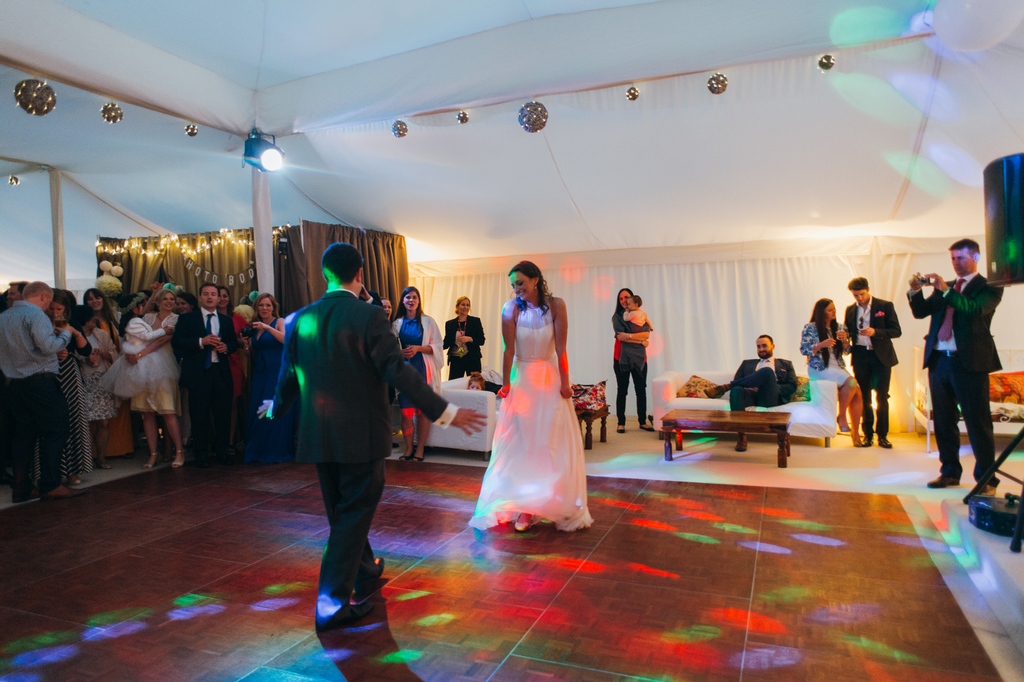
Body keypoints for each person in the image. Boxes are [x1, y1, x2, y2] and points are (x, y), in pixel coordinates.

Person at [259, 241, 484, 632]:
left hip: (318, 436)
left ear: (324, 274)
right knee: (352, 515)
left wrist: (276, 408)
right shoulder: (368, 317)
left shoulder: (297, 319)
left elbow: (288, 378)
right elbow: (397, 372)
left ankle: (364, 568)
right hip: (361, 436)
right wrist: (445, 411)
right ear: (360, 274)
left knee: (342, 512)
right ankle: (330, 604)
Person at [470, 261, 594, 533]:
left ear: (535, 280)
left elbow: (561, 350)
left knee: (548, 443)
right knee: (522, 443)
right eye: (513, 284)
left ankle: (550, 503)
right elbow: (507, 350)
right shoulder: (511, 309)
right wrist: (506, 386)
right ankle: (524, 508)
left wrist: (565, 384)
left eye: (521, 283)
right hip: (522, 379)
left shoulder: (557, 306)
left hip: (549, 379)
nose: (516, 289)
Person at [909, 238, 1003, 493]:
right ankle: (949, 472)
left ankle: (986, 479)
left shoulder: (990, 287)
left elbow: (973, 310)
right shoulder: (946, 287)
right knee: (943, 420)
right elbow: (921, 312)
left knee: (978, 422)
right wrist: (914, 291)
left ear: (975, 257)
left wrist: (948, 291)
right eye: (952, 258)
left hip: (969, 363)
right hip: (939, 361)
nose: (955, 263)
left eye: (960, 258)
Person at [0, 281, 84, 501]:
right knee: (56, 430)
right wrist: (65, 334)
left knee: (24, 435)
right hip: (40, 381)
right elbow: (48, 346)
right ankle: (50, 484)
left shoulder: (4, 317)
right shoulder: (35, 315)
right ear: (44, 297)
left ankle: (21, 487)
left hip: (14, 384)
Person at [105, 289, 185, 468]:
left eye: (172, 299)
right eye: (164, 298)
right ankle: (153, 453)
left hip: (164, 366)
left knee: (168, 410)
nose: (169, 301)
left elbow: (161, 341)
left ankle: (179, 451)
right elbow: (136, 337)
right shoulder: (146, 318)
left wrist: (139, 354)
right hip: (142, 369)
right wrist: (133, 354)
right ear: (157, 301)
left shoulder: (176, 320)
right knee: (146, 413)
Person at [172, 282, 238, 467]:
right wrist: (202, 341)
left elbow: (233, 342)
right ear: (200, 297)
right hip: (198, 373)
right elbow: (177, 343)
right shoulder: (188, 319)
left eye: (213, 294)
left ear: (218, 298)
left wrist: (226, 347)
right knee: (199, 415)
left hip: (220, 372)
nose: (210, 297)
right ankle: (201, 454)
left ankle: (223, 452)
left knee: (223, 415)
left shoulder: (225, 320)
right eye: (206, 294)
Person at [706, 335, 798, 452]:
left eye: (764, 346)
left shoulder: (786, 364)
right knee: (736, 390)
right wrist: (749, 386)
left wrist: (772, 386)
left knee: (767, 372)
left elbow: (792, 386)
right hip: (752, 395)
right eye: (758, 346)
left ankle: (725, 387)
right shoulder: (746, 364)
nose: (761, 349)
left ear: (773, 346)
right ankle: (741, 436)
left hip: (771, 396)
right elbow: (738, 381)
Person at [844, 278, 901, 449]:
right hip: (860, 355)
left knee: (882, 396)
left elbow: (896, 331)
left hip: (881, 356)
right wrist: (844, 340)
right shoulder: (850, 310)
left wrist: (875, 332)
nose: (859, 298)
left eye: (861, 294)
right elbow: (848, 332)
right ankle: (867, 434)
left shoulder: (885, 306)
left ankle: (882, 435)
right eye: (855, 295)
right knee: (864, 397)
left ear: (868, 289)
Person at [44, 290, 93, 486]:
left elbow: (86, 350)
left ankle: (73, 470)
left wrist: (75, 333)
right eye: (52, 308)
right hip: (49, 372)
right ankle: (52, 471)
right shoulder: (41, 324)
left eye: (60, 309)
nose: (55, 313)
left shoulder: (71, 324)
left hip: (70, 375)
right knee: (52, 423)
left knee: (74, 420)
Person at [800, 298, 864, 446]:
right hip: (819, 368)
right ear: (821, 312)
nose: (833, 312)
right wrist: (820, 345)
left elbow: (847, 352)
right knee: (852, 382)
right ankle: (842, 417)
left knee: (857, 393)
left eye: (834, 309)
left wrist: (845, 342)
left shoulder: (841, 327)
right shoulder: (810, 328)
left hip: (837, 366)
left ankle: (855, 433)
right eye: (830, 310)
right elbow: (804, 350)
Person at [392, 286, 444, 461]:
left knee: (422, 413)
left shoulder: (428, 322)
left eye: (414, 297)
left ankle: (420, 449)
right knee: (406, 413)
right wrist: (400, 353)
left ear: (419, 301)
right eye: (408, 297)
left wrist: (418, 349)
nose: (411, 300)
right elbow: (390, 348)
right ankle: (408, 449)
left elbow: (438, 345)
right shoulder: (397, 323)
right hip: (404, 372)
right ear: (403, 301)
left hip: (423, 370)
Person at [83, 287, 135, 459]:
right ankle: (97, 453)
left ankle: (120, 447)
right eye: (89, 299)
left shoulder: (111, 318)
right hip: (94, 372)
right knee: (97, 418)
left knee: (117, 409)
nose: (94, 301)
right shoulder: (85, 324)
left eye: (97, 297)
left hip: (113, 366)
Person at [244, 293, 295, 464]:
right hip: (260, 372)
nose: (264, 308)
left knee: (271, 408)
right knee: (257, 409)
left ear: (273, 307)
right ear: (256, 308)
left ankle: (274, 450)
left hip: (277, 372)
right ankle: (259, 449)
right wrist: (247, 346)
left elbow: (286, 340)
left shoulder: (279, 322)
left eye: (268, 305)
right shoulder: (255, 327)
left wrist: (267, 328)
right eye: (261, 305)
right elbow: (255, 350)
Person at [74, 304, 118, 469]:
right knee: (85, 422)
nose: (95, 319)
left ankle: (101, 456)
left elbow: (114, 353)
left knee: (104, 422)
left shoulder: (102, 334)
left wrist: (104, 354)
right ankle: (87, 457)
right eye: (91, 317)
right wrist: (85, 359)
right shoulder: (74, 336)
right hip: (83, 380)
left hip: (102, 380)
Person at [611, 288, 652, 433]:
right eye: (621, 298)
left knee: (641, 390)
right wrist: (640, 340)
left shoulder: (640, 316)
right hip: (621, 358)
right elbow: (621, 336)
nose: (623, 301)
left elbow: (646, 334)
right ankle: (621, 422)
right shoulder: (617, 317)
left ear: (633, 300)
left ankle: (642, 421)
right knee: (622, 390)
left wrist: (633, 337)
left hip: (640, 359)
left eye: (626, 298)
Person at [218, 284, 248, 455]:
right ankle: (217, 440)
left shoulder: (236, 318)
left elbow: (245, 339)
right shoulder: (206, 317)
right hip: (214, 364)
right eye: (219, 295)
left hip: (233, 362)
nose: (222, 299)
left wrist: (233, 343)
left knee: (233, 403)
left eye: (225, 295)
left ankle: (230, 441)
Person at [443, 296, 486, 380]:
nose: (465, 307)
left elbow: (481, 340)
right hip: (456, 358)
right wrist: (434, 346)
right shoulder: (450, 324)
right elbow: (447, 342)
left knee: (475, 383)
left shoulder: (475, 321)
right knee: (454, 385)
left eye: (467, 305)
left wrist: (470, 339)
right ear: (457, 306)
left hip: (472, 358)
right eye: (463, 304)